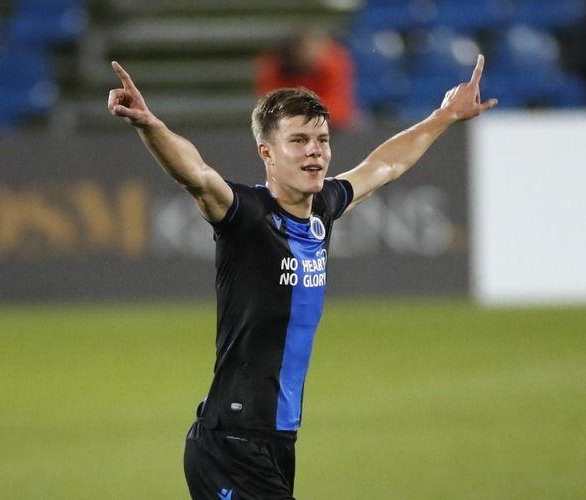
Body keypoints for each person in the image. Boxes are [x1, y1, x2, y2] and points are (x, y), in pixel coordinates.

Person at [107, 55, 497, 499]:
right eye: (298, 140)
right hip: (232, 442)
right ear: (267, 153)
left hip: (276, 442)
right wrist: (148, 124)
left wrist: (445, 115)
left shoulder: (322, 210)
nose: (315, 150)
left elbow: (385, 166)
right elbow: (196, 175)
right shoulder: (247, 217)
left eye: (321, 140)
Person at [255, 29, 357, 129]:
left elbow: (338, 110)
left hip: (332, 125)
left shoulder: (333, 63)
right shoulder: (274, 66)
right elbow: (271, 105)